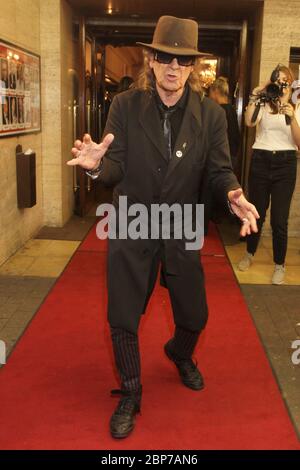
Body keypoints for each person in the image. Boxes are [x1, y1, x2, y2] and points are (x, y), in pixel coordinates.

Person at [68, 16, 259, 439]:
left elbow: (219, 170)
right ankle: (131, 392)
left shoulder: (210, 116)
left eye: (182, 60)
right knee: (122, 315)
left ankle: (179, 351)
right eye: (165, 58)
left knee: (195, 313)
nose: (173, 67)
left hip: (181, 222)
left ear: (192, 68)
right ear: (151, 61)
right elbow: (114, 165)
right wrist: (98, 166)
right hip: (132, 220)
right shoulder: (124, 107)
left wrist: (232, 193)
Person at [238, 64, 300, 285]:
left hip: (286, 163)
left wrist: (292, 116)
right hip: (261, 160)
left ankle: (279, 265)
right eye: (277, 79)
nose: (281, 83)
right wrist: (257, 94)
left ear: (290, 83)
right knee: (256, 213)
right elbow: (248, 122)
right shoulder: (264, 103)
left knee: (279, 219)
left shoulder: (297, 104)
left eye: (285, 80)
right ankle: (249, 253)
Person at [209, 77, 240, 176]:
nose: (209, 96)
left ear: (216, 91)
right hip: (232, 155)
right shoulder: (231, 109)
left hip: (220, 157)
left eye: (210, 92)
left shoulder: (217, 111)